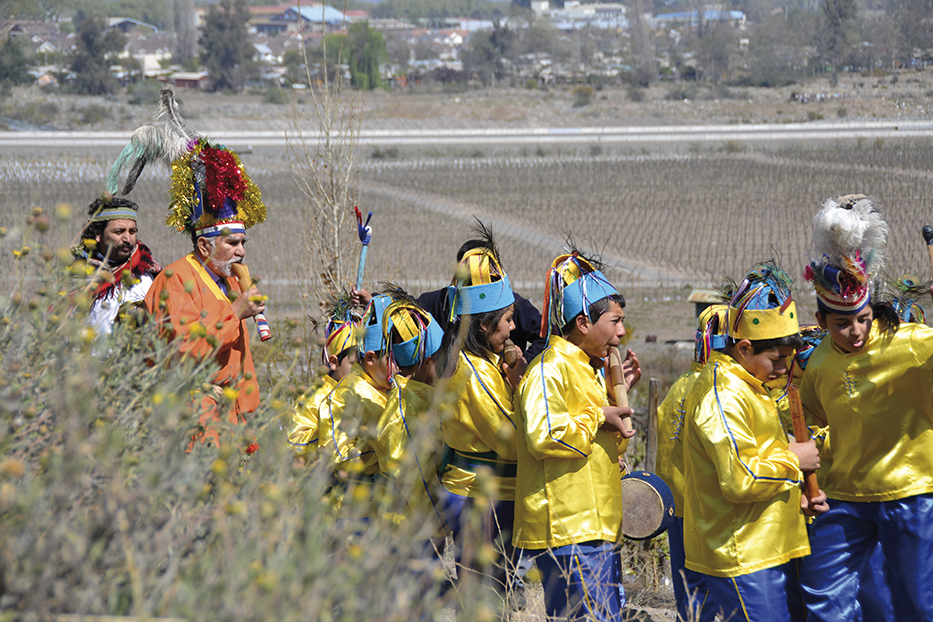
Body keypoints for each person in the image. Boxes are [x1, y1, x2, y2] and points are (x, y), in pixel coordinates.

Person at [798, 196, 933, 621]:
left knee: (918, 600)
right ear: (821, 321)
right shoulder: (818, 362)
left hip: (910, 492)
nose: (855, 331)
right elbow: (811, 425)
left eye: (862, 318)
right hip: (844, 495)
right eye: (842, 323)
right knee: (821, 588)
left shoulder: (912, 344)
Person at [682, 263, 828, 622]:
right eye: (776, 359)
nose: (783, 369)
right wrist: (794, 461)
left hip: (769, 545)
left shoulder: (752, 386)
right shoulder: (722, 395)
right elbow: (741, 478)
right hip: (743, 553)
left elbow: (762, 456)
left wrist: (798, 493)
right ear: (745, 348)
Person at [513, 251, 639, 621]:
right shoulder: (547, 370)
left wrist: (617, 395)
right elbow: (544, 436)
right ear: (583, 322)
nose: (621, 332)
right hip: (568, 528)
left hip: (595, 527)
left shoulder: (589, 370)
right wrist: (599, 415)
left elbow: (613, 443)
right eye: (615, 322)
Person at [143, 137, 268, 451]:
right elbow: (184, 351)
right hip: (192, 414)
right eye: (232, 243)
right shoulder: (174, 279)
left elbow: (240, 358)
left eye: (243, 243)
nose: (241, 252)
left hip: (228, 414)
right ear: (204, 246)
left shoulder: (231, 283)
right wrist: (235, 312)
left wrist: (246, 409)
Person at [436, 235, 526, 609]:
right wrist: (520, 386)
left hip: (479, 496)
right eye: (507, 320)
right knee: (485, 596)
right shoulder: (476, 373)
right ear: (484, 326)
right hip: (481, 500)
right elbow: (512, 442)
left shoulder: (477, 363)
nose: (513, 328)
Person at [352, 220, 548, 362]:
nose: (511, 325)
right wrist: (373, 300)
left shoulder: (510, 305)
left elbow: (545, 335)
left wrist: (523, 363)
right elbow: (411, 309)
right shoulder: (443, 301)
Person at [657, 303, 727, 622]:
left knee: (687, 585)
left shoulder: (681, 383)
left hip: (677, 503)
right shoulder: (716, 389)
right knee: (707, 588)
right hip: (706, 507)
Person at [318, 294, 394, 477]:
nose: (397, 368)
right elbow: (336, 454)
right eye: (391, 359)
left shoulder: (384, 384)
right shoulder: (346, 395)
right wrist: (382, 453)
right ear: (370, 358)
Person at [71, 197, 161, 336]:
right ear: (98, 235)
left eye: (132, 231)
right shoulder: (77, 276)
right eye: (119, 232)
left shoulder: (146, 275)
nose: (127, 239)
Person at [287, 294, 359, 456]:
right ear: (333, 362)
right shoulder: (315, 398)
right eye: (354, 364)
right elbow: (295, 444)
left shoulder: (361, 392)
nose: (360, 372)